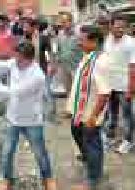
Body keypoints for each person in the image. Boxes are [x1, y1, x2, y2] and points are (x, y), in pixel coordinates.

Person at [0, 42, 56, 190]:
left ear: (30, 59)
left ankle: (48, 178)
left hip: (32, 120)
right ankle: (5, 179)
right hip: (13, 118)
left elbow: (13, 92)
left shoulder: (37, 76)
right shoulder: (15, 63)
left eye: (20, 59)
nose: (16, 62)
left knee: (40, 153)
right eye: (16, 58)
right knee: (7, 152)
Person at [69, 25, 110, 189]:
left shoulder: (101, 62)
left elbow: (104, 93)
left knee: (92, 143)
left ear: (94, 41)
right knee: (76, 132)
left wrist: (93, 116)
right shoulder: (87, 57)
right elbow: (81, 85)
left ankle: (93, 180)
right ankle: (91, 162)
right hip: (80, 111)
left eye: (82, 40)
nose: (79, 43)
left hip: (91, 113)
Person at [103, 14, 135, 154]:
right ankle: (110, 138)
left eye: (123, 27)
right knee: (111, 114)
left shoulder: (131, 43)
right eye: (117, 26)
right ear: (111, 26)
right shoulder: (108, 40)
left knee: (127, 116)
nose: (120, 29)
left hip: (124, 86)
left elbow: (133, 67)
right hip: (110, 85)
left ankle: (128, 141)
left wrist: (131, 88)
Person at [57, 13, 83, 116]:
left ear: (71, 22)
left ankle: (78, 111)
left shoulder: (78, 34)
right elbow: (58, 48)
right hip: (64, 66)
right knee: (68, 90)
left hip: (76, 67)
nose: (64, 24)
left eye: (65, 21)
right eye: (62, 22)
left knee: (77, 90)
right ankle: (70, 110)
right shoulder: (60, 34)